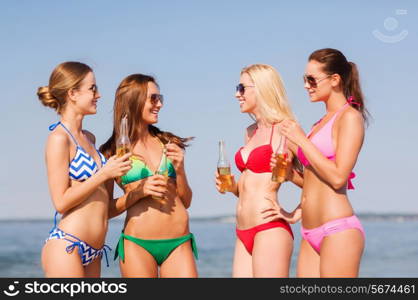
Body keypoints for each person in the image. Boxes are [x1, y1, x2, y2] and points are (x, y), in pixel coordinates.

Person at [273, 48, 369, 277]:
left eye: (311, 79)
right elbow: (315, 181)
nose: (306, 85)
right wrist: (289, 174)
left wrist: (301, 141)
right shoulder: (319, 124)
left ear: (335, 80)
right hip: (309, 231)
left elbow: (338, 177)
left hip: (337, 230)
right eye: (304, 80)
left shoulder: (350, 118)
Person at [38, 61, 135, 277]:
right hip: (68, 246)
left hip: (94, 251)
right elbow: (61, 201)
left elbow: (103, 207)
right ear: (72, 93)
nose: (98, 95)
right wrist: (104, 174)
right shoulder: (58, 139)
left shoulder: (89, 138)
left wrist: (138, 194)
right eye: (93, 88)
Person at [100, 73, 198, 278]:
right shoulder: (111, 152)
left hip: (179, 242)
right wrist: (138, 193)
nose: (159, 104)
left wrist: (179, 170)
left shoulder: (168, 142)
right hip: (138, 245)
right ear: (133, 100)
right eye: (153, 98)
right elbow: (106, 210)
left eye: (160, 98)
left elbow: (186, 200)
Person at [215, 64, 297, 277]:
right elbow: (252, 184)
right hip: (242, 231)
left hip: (269, 229)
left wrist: (296, 212)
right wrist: (234, 187)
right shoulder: (250, 132)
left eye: (241, 88)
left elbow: (318, 181)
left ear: (261, 88)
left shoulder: (285, 128)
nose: (236, 94)